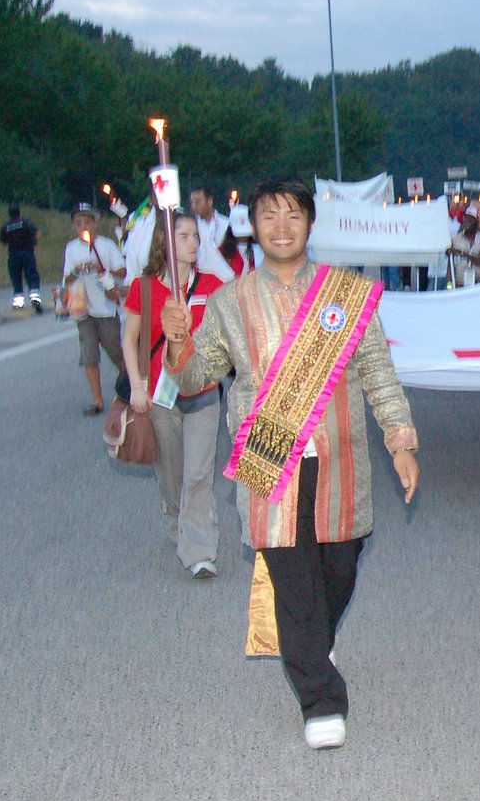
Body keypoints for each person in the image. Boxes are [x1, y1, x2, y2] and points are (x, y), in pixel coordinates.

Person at [161, 178, 420, 750]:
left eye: (293, 215)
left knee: (339, 569)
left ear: (309, 223)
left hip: (339, 457)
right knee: (292, 581)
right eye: (269, 216)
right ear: (253, 225)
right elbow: (195, 375)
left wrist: (400, 441)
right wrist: (176, 343)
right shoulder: (231, 301)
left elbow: (378, 371)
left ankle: (313, 639)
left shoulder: (345, 294)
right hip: (267, 457)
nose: (281, 226)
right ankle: (320, 698)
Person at [122, 210, 225, 579]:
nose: (194, 242)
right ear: (166, 241)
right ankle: (174, 518)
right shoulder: (144, 288)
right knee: (171, 476)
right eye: (184, 236)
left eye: (196, 236)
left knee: (198, 475)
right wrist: (137, 386)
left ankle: (199, 552)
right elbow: (129, 339)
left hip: (203, 393)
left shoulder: (213, 286)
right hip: (159, 398)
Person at [62, 203, 127, 415]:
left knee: (115, 351)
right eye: (79, 223)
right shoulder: (71, 249)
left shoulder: (106, 246)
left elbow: (122, 271)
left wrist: (101, 269)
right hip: (83, 309)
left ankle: (131, 388)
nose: (83, 227)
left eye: (87, 222)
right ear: (73, 226)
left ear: (94, 223)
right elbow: (67, 278)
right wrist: (76, 270)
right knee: (89, 354)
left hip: (106, 308)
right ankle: (97, 400)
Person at [0, 205, 42, 312]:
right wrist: (33, 242)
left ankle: (18, 303)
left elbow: (2, 241)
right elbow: (37, 233)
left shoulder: (6, 226)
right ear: (19, 212)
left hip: (13, 254)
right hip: (27, 252)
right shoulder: (26, 222)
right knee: (32, 275)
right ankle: (35, 298)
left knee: (16, 277)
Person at [187, 187, 236, 281]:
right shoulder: (191, 225)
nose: (193, 206)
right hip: (198, 280)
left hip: (224, 279)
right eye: (191, 202)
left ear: (209, 201)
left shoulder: (225, 224)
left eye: (197, 202)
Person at [450, 205, 480, 287]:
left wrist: (462, 252)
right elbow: (449, 262)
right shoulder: (455, 238)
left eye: (471, 220)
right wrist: (450, 282)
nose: (467, 222)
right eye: (466, 218)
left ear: (476, 222)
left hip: (479, 283)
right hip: (459, 283)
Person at [219, 204, 261, 277]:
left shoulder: (260, 249)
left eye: (246, 233)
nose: (243, 237)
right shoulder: (222, 252)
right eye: (239, 234)